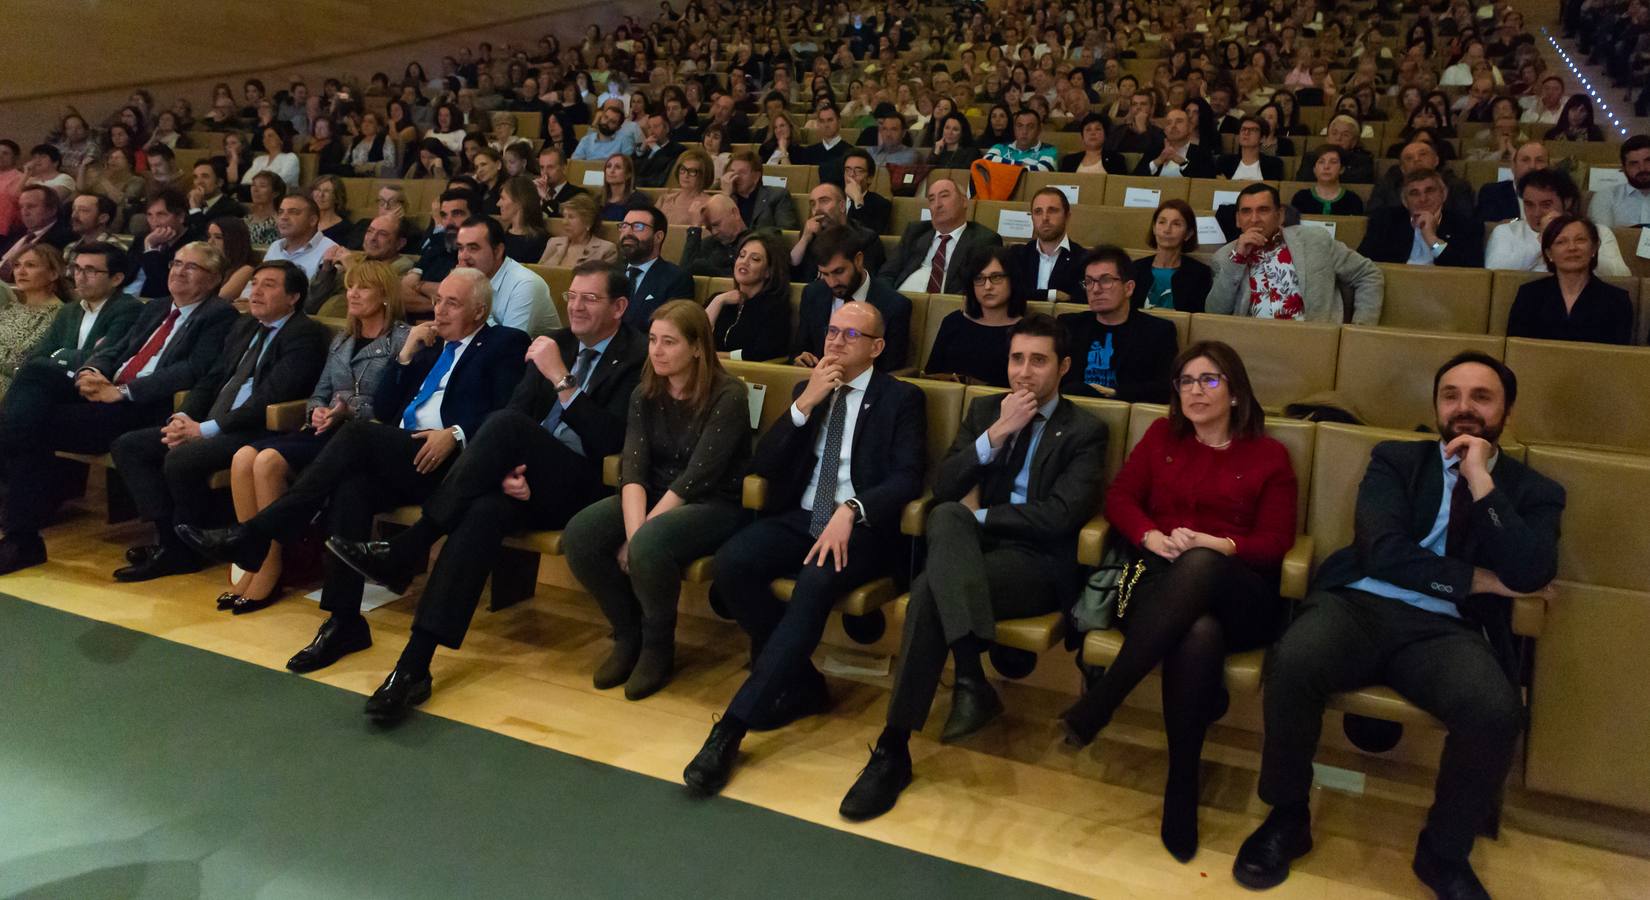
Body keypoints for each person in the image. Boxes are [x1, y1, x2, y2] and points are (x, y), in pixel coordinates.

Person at [1233, 353, 1564, 900]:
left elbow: (1531, 571)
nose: (1463, 409)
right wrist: (1480, 580)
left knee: (1496, 709)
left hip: (1444, 631)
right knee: (1294, 660)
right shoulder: (1395, 460)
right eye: (1450, 396)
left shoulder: (1534, 491)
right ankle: (1287, 817)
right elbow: (1382, 554)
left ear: (1508, 410)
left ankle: (1444, 852)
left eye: (1481, 397)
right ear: (1436, 405)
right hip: (1357, 605)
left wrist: (1481, 479)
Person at [176, 269, 530, 686]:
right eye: (438, 301)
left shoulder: (505, 343)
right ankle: (344, 621)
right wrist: (405, 357)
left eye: (452, 303)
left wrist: (455, 434)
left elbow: (509, 411)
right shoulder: (431, 347)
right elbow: (386, 405)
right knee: (351, 486)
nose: (439, 310)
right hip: (405, 453)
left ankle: (257, 532)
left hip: (457, 463)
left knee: (358, 434)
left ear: (479, 311)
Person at [324, 261, 646, 716]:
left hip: (584, 485)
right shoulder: (557, 342)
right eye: (571, 295)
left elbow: (612, 443)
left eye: (589, 299)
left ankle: (408, 547)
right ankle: (414, 665)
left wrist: (562, 381)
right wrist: (507, 470)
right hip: (522, 477)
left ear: (619, 306)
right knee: (480, 515)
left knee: (505, 426)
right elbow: (514, 413)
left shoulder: (637, 355)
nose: (575, 306)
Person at [835, 312, 1107, 819]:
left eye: (1038, 361)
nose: (1024, 372)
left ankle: (902, 743)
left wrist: (979, 515)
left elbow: (1060, 517)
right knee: (945, 523)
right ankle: (949, 697)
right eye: (1016, 359)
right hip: (972, 555)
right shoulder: (987, 412)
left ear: (1063, 366)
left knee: (936, 579)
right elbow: (945, 484)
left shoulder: (1083, 430)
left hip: (1035, 565)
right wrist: (998, 433)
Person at [1061, 340, 1297, 861]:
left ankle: (1104, 699)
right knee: (1197, 632)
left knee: (1206, 565)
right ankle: (1182, 787)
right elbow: (1120, 498)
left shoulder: (1268, 455)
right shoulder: (1161, 438)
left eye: (1209, 380)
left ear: (1235, 393)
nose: (1196, 391)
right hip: (1149, 578)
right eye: (1186, 381)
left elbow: (1277, 542)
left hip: (1241, 592)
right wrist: (1149, 536)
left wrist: (1219, 545)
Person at [682, 300, 925, 795]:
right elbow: (764, 466)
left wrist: (852, 508)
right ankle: (800, 679)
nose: (835, 341)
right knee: (733, 564)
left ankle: (730, 729)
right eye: (832, 330)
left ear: (877, 348)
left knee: (814, 582)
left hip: (863, 529)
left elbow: (906, 478)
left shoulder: (901, 398)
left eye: (850, 335)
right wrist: (803, 406)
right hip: (801, 517)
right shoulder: (806, 389)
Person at [0, 241, 239, 574]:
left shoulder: (219, 315)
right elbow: (117, 348)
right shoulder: (156, 307)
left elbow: (192, 370)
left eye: (192, 267)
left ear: (214, 279)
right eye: (176, 263)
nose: (178, 271)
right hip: (107, 398)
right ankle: (21, 537)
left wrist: (123, 391)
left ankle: (22, 538)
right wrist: (91, 371)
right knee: (33, 395)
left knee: (27, 414)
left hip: (144, 407)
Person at [561, 300, 750, 701]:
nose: (657, 351)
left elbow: (697, 478)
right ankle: (628, 632)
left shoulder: (729, 395)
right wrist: (634, 531)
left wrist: (641, 536)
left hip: (713, 503)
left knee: (649, 542)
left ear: (698, 347)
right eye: (652, 340)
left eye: (670, 342)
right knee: (582, 533)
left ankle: (658, 644)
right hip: (656, 495)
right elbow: (633, 468)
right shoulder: (644, 392)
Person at [108, 261, 330, 582]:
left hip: (256, 430)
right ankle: (171, 541)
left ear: (293, 297)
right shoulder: (244, 326)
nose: (256, 291)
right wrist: (184, 418)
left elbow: (270, 398)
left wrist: (204, 430)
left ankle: (182, 549)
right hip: (211, 422)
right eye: (254, 283)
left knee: (181, 458)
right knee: (130, 445)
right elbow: (212, 379)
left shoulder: (303, 334)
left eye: (269, 285)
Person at [225, 260, 412, 612]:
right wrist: (319, 411)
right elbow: (319, 391)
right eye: (350, 287)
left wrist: (347, 411)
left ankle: (273, 565)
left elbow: (397, 404)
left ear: (385, 295)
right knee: (242, 457)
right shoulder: (342, 339)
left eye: (363, 288)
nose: (353, 294)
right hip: (323, 430)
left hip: (362, 438)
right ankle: (254, 558)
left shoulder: (402, 340)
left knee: (267, 461)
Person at [1209, 185, 1384, 324]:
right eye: (1246, 211)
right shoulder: (1225, 257)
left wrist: (1360, 330)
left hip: (1314, 340)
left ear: (1279, 215)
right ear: (1238, 220)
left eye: (1263, 210)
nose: (1254, 219)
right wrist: (1238, 260)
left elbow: (1368, 274)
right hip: (1254, 343)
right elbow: (1215, 312)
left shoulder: (1315, 240)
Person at [1057, 245, 1180, 403]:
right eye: (1089, 282)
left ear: (1129, 288)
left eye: (1105, 280)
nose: (1095, 289)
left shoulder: (1159, 331)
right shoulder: (1069, 325)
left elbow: (1166, 388)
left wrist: (1115, 393)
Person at [794, 226, 912, 371]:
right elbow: (800, 350)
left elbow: (891, 369)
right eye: (825, 274)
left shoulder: (894, 305)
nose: (832, 282)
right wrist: (801, 360)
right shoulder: (813, 294)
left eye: (838, 271)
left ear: (858, 260)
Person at [1506, 215, 1635, 345]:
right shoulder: (1529, 295)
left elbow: (1618, 356)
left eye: (1580, 240)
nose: (1572, 248)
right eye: (1561, 242)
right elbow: (1516, 348)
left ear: (1594, 248)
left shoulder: (1617, 300)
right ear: (1549, 253)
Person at [1485, 170, 1632, 277]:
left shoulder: (1599, 232)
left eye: (1546, 204)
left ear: (1566, 202)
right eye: (1529, 204)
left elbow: (1621, 275)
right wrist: (1543, 241)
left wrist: (1584, 251)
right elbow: (1493, 273)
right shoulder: (1505, 232)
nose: (1536, 213)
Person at [27, 241, 142, 372]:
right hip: (57, 382)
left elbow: (102, 358)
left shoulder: (129, 309)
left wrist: (59, 354)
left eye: (90, 271)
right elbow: (37, 357)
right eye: (77, 268)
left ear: (116, 279)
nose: (80, 278)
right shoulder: (69, 310)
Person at [882, 177, 1002, 295]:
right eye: (931, 199)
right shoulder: (916, 232)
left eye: (944, 196)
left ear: (964, 201)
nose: (937, 204)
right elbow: (887, 274)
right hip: (899, 300)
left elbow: (977, 287)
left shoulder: (984, 239)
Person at [925, 245, 1023, 386]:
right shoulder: (953, 322)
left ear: (1012, 280)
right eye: (979, 279)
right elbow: (932, 375)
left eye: (996, 277)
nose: (987, 286)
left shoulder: (1026, 330)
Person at [453, 217, 558, 337]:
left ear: (498, 251)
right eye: (460, 248)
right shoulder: (470, 278)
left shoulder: (525, 285)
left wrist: (470, 299)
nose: (463, 257)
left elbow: (508, 345)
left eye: (473, 248)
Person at [1358, 169, 1485, 268]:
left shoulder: (1466, 225)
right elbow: (1363, 261)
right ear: (1404, 201)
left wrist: (1431, 238)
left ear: (1444, 194)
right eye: (1414, 193)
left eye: (1429, 191)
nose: (1423, 199)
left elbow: (1468, 270)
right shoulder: (1384, 221)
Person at [704, 231, 792, 361]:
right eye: (741, 255)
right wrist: (718, 302)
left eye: (755, 259)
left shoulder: (775, 308)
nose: (744, 262)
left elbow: (762, 352)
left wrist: (717, 357)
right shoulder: (719, 299)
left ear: (768, 271)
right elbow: (693, 340)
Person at [305, 214, 411, 316]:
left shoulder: (403, 267)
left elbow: (384, 303)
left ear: (400, 243)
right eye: (370, 231)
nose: (372, 238)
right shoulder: (355, 257)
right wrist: (326, 270)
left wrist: (352, 268)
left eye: (382, 234)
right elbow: (311, 303)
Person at [0, 246, 69, 396]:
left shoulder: (61, 314)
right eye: (17, 265)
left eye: (30, 265)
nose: (21, 271)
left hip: (16, 390)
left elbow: (18, 360)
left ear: (53, 273)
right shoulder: (11, 308)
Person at [616, 204, 694, 328]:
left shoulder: (676, 279)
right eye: (624, 226)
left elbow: (672, 329)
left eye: (638, 226)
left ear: (658, 237)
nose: (627, 232)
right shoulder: (608, 273)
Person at [790, 181, 885, 279]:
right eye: (813, 204)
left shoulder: (866, 238)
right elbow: (793, 274)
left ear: (842, 206)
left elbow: (863, 278)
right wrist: (804, 240)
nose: (817, 209)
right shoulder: (810, 234)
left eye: (824, 201)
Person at [1007, 187, 1086, 302]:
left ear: (1067, 216)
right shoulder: (1017, 255)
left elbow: (1081, 299)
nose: (1044, 218)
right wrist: (1053, 295)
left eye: (1052, 210)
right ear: (1032, 218)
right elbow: (1009, 293)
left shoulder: (1083, 259)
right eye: (1038, 212)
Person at [1133, 200, 1213, 313]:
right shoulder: (1135, 268)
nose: (1167, 230)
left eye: (1176, 224)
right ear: (1154, 229)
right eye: (1162, 222)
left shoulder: (1200, 273)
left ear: (1188, 234)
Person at [1367, 141, 1476, 222]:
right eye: (1409, 158)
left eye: (1423, 154)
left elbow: (1449, 251)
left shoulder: (1457, 187)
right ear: (1402, 169)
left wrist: (1431, 238)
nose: (1416, 160)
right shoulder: (1387, 187)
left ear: (1436, 160)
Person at [258, 194, 340, 292]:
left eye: (293, 212)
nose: (284, 217)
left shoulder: (330, 250)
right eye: (280, 212)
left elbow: (319, 296)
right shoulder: (275, 246)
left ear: (312, 220)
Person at [0, 186, 75, 282]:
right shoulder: (17, 232)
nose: (24, 212)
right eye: (21, 207)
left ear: (52, 210)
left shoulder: (62, 239)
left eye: (31, 206)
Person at [720, 151, 801, 231]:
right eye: (732, 171)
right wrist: (726, 196)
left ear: (756, 177)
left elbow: (787, 232)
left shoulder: (777, 196)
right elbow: (717, 229)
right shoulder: (727, 197)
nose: (736, 177)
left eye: (742, 172)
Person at [1585, 135, 1650, 229]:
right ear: (1623, 168)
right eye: (1634, 164)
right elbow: (1604, 238)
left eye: (1648, 161)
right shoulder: (1606, 197)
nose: (1642, 168)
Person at [1475, 141, 1548, 223]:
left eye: (1539, 160)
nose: (1532, 166)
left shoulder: (1557, 195)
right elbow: (1484, 227)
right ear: (1513, 166)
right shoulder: (1492, 193)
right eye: (1525, 160)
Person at [539, 193, 618, 269]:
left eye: (571, 217)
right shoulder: (553, 243)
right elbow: (538, 273)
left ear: (588, 222)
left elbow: (602, 281)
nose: (564, 222)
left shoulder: (606, 250)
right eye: (564, 216)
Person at [1134, 109, 1215, 178]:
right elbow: (1134, 179)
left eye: (1179, 121)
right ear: (1165, 130)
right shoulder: (1155, 150)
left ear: (1190, 128)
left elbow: (1207, 181)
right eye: (1169, 123)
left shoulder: (1201, 152)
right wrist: (1158, 161)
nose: (1173, 126)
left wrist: (1182, 163)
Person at [677, 194, 745, 278]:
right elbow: (682, 275)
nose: (714, 232)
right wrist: (695, 227)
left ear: (735, 213)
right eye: (709, 228)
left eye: (716, 225)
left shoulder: (755, 243)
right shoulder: (709, 244)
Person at [1295, 115, 1376, 184]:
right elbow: (1303, 181)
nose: (1338, 138)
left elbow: (1359, 183)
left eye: (1345, 135)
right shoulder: (1311, 158)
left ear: (1354, 141)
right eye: (1334, 133)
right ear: (1327, 138)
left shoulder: (1363, 161)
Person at [184, 159, 245, 241]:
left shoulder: (231, 208)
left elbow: (205, 236)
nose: (199, 182)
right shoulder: (189, 204)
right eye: (195, 177)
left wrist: (195, 209)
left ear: (219, 182)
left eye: (205, 176)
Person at [495, 176, 550, 264]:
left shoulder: (540, 242)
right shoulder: (500, 236)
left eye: (502, 198)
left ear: (519, 202)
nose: (498, 204)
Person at [653, 147, 713, 226]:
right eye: (683, 169)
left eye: (692, 171)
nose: (686, 175)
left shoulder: (709, 204)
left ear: (704, 175)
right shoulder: (664, 199)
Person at [985, 109, 1058, 172]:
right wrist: (1021, 164)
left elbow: (1042, 170)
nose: (1024, 131)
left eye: (1030, 127)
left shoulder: (1048, 150)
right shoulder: (1000, 147)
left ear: (1039, 129)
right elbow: (985, 161)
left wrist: (1003, 166)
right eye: (1019, 126)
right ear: (1014, 128)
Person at [1216, 116, 1284, 180]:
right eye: (1243, 129)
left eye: (1253, 130)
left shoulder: (1273, 165)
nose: (1246, 132)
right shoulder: (1224, 162)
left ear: (1262, 138)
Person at [841, 150, 891, 235]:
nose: (852, 175)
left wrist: (857, 199)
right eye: (848, 170)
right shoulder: (835, 198)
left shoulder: (880, 204)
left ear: (870, 178)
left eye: (858, 171)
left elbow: (869, 236)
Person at [207, 217, 257, 299]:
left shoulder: (246, 269)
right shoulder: (212, 264)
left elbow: (220, 298)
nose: (210, 242)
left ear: (234, 241)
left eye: (218, 237)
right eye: (209, 236)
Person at [1059, 113, 1125, 174]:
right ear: (1082, 137)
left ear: (1105, 135)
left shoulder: (1116, 160)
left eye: (1098, 129)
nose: (1093, 133)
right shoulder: (1069, 161)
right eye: (1088, 129)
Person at [634, 112, 686, 188]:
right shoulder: (644, 148)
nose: (651, 131)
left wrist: (655, 148)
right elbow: (632, 167)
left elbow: (662, 171)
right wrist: (641, 150)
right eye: (649, 127)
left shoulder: (678, 150)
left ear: (667, 128)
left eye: (655, 126)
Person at [243, 126, 301, 191]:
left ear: (281, 140)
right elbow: (245, 180)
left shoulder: (290, 157)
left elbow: (281, 180)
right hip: (254, 193)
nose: (266, 139)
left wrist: (257, 185)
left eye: (270, 136)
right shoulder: (258, 160)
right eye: (264, 137)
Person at [533, 145, 584, 219]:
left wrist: (546, 198)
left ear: (564, 168)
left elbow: (562, 220)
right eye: (542, 167)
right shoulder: (534, 192)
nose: (545, 172)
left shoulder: (577, 195)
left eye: (550, 167)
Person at [794, 103, 852, 167]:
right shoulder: (809, 152)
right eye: (822, 121)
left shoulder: (850, 152)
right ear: (818, 124)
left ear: (839, 122)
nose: (826, 125)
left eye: (830, 120)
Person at [596, 153, 646, 222]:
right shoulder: (598, 200)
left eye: (618, 167)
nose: (611, 171)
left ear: (628, 174)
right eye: (609, 166)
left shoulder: (638, 200)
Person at [347, 113, 400, 177]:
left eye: (370, 122)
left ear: (378, 127)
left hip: (370, 174)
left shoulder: (384, 139)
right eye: (364, 121)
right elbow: (345, 159)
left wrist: (369, 166)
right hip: (351, 172)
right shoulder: (356, 140)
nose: (366, 125)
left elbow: (390, 162)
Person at [241, 171, 284, 247]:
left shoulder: (277, 223)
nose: (255, 190)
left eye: (262, 186)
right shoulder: (245, 220)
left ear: (275, 193)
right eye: (253, 185)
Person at [309, 175, 353, 245]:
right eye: (317, 189)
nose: (320, 195)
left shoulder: (345, 229)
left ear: (337, 198)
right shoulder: (304, 221)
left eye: (327, 191)